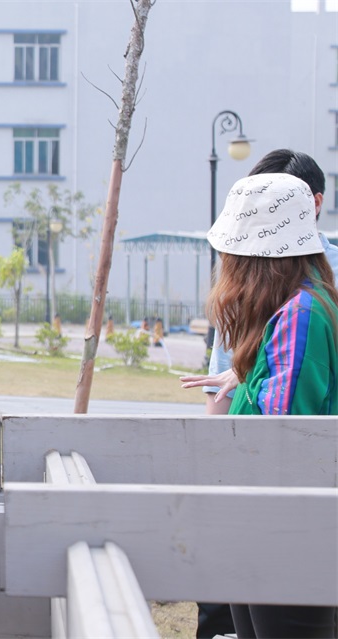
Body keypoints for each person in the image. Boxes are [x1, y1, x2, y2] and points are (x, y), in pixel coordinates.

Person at [180, 149, 338, 639]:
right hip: (272, 529)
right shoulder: (294, 310)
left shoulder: (299, 316)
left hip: (286, 536)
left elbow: (275, 440)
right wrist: (245, 378)